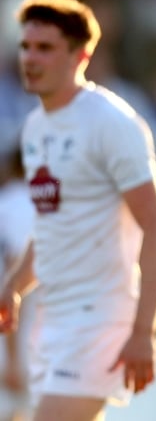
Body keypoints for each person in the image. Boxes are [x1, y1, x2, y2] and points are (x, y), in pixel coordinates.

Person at [0, 0, 156, 421]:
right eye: (26, 46)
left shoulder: (110, 123)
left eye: (45, 48)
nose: (31, 58)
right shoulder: (35, 129)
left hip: (99, 317)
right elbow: (53, 224)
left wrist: (143, 332)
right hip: (55, 318)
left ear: (82, 54)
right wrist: (14, 285)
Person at [0, 142, 36, 421]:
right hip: (19, 338)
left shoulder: (9, 203)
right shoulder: (26, 204)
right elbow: (14, 279)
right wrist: (14, 358)